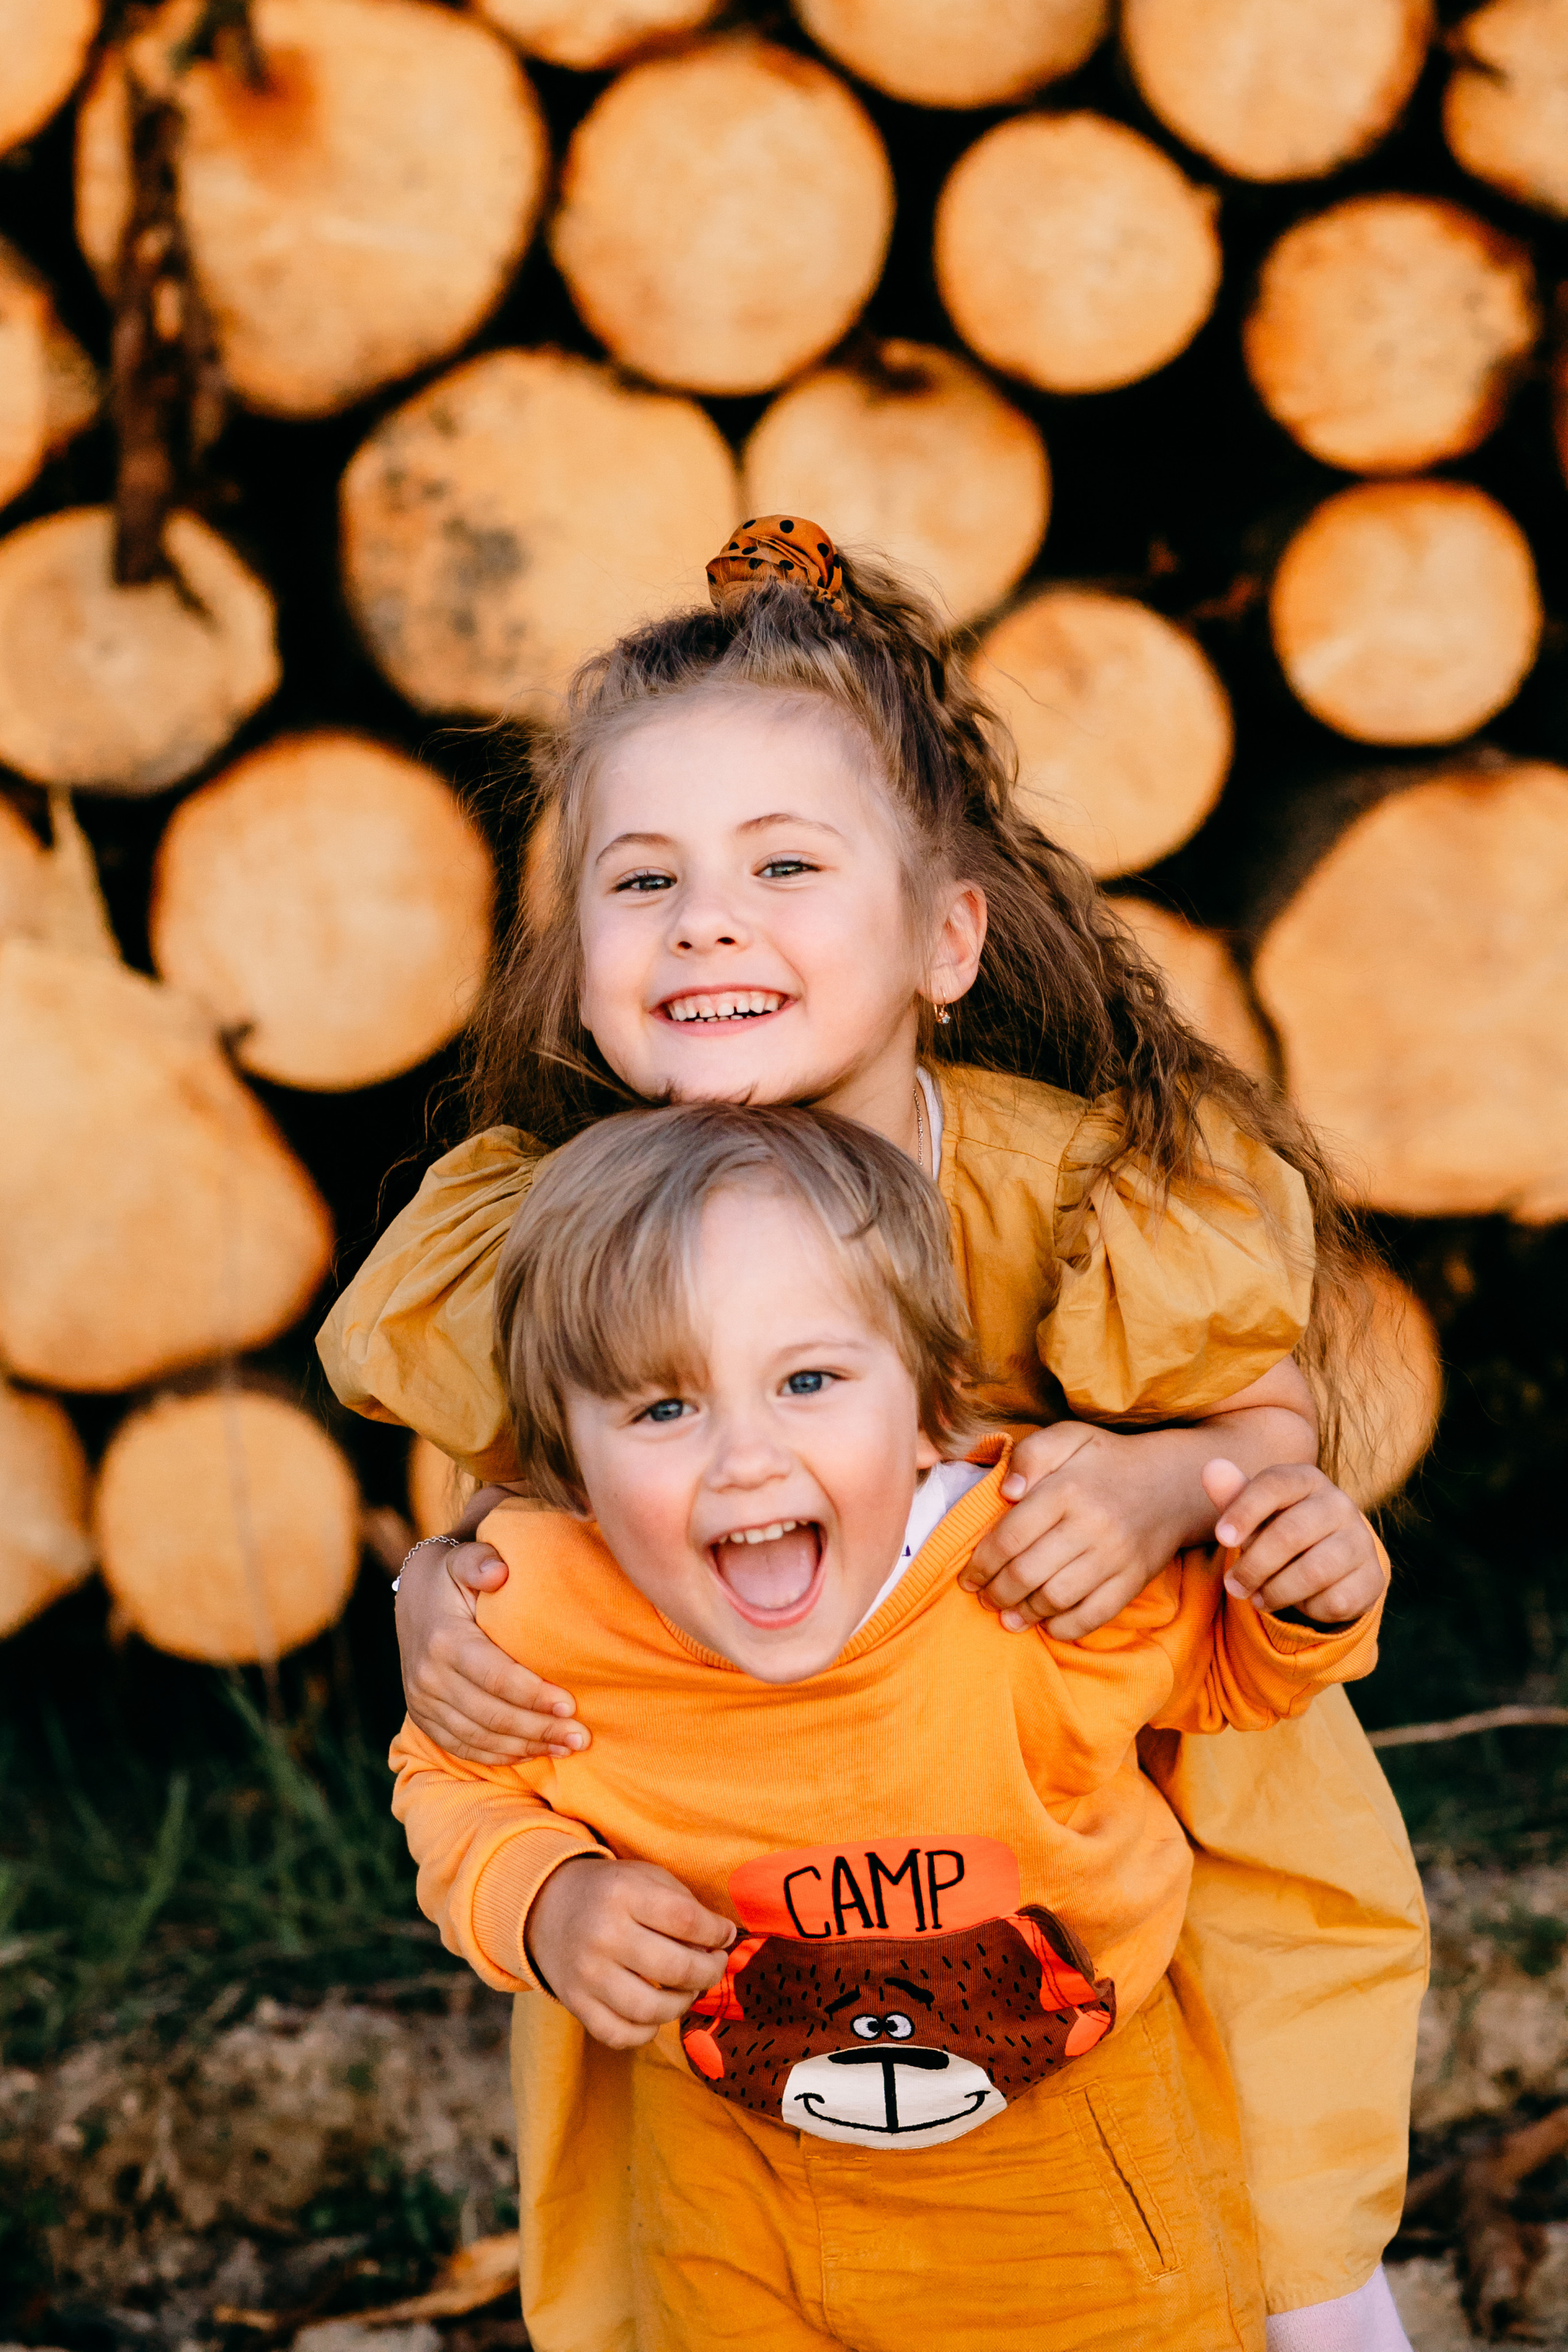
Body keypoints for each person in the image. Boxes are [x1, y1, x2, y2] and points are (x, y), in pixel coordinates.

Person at [320, 519, 1427, 2343]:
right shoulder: (550, 1227)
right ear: (576, 949)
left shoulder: (1074, 1193)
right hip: (774, 1860)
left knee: (1258, 2208)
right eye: (643, 880)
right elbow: (524, 1511)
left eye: (783, 866)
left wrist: (1158, 1485)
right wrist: (437, 1595)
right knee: (751, 2233)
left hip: (1121, 1795)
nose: (709, 923)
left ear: (945, 935)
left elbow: (1266, 1416)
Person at [391, 1101, 1394, 2352]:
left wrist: (1305, 1587)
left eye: (807, 1383)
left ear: (928, 1415)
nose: (743, 1460)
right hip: (732, 2177)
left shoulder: (1028, 1564)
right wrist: (542, 1901)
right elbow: (451, 1776)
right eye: (661, 1411)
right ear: (563, 1466)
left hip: (1069, 2171)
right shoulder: (549, 1610)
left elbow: (1230, 1682)